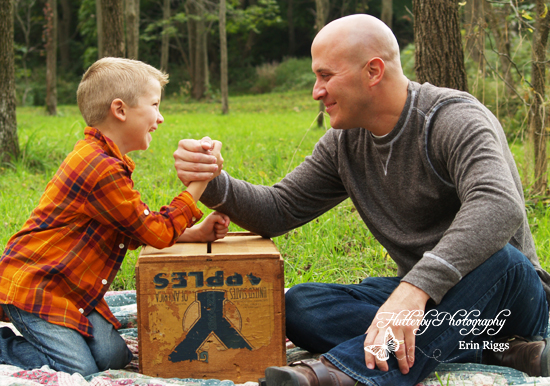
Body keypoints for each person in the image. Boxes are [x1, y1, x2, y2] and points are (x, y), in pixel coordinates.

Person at [173, 14, 550, 386]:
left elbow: (499, 205)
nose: (316, 91)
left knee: (499, 257)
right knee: (300, 305)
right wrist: (210, 181)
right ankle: (497, 351)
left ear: (373, 71)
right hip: (435, 306)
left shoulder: (453, 119)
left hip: (508, 296)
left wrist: (414, 289)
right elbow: (279, 209)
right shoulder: (345, 142)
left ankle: (340, 374)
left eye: (325, 75)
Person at [0, 57, 229, 376]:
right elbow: (156, 232)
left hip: (71, 289)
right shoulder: (99, 168)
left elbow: (133, 227)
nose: (160, 118)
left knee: (113, 358)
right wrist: (200, 182)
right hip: (36, 287)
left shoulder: (104, 160)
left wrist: (195, 234)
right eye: (154, 105)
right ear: (120, 110)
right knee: (77, 369)